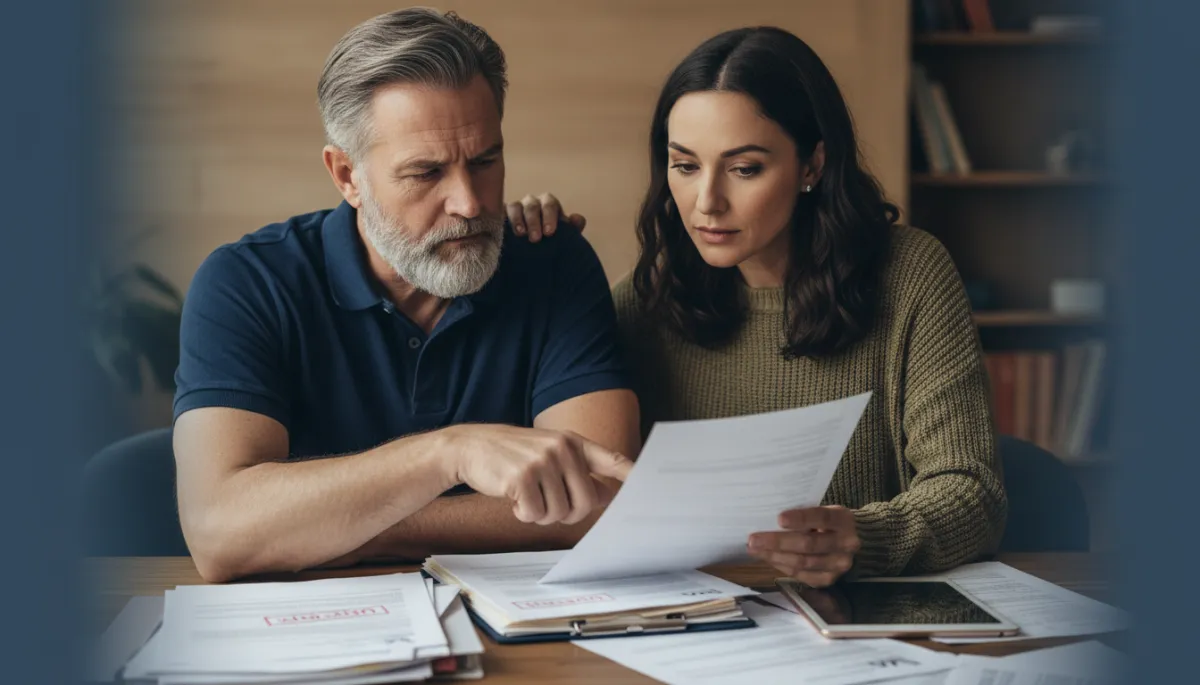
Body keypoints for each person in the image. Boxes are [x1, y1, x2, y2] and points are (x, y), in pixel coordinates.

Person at [508, 26, 1007, 587]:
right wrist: (517, 254)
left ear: (813, 165)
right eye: (685, 165)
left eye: (744, 169)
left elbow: (973, 491)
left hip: (862, 622)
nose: (707, 202)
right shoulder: (649, 296)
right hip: (700, 621)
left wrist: (865, 538)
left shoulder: (911, 275)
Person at [172, 8, 641, 583]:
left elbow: (601, 503)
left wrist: (344, 528)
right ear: (346, 175)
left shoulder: (552, 260)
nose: (470, 203)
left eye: (486, 160)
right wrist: (452, 453)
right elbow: (221, 535)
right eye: (425, 173)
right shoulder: (247, 283)